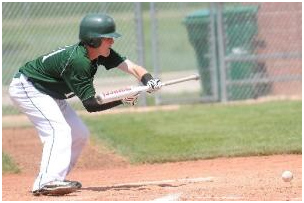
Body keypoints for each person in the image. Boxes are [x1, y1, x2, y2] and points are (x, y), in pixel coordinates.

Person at [8, 13, 162, 196]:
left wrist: (148, 80)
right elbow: (91, 104)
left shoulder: (101, 53)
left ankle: (56, 178)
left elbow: (132, 67)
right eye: (108, 38)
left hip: (51, 93)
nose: (112, 42)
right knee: (59, 131)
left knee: (79, 134)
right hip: (29, 88)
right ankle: (47, 181)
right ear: (94, 40)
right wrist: (122, 98)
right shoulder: (79, 61)